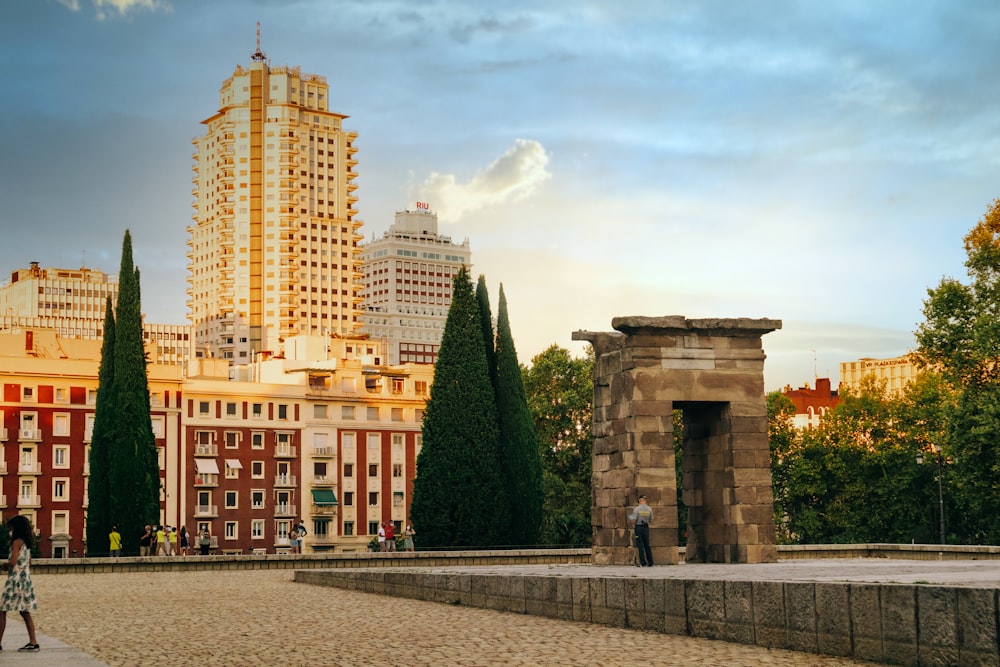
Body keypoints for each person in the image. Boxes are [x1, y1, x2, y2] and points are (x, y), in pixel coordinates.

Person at [0, 515, 40, 652]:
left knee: (2, 611)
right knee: (25, 612)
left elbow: (13, 562)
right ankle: (33, 642)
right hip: (25, 580)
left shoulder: (16, 542)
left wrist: (5, 565)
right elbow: (29, 562)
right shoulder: (27, 543)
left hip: (15, 581)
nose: (9, 531)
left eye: (10, 528)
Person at [629, 494, 654, 567]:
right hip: (646, 527)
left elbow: (633, 520)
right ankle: (650, 562)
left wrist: (630, 517)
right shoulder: (649, 509)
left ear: (640, 501)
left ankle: (643, 562)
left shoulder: (636, 509)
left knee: (640, 545)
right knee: (647, 545)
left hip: (638, 527)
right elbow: (651, 520)